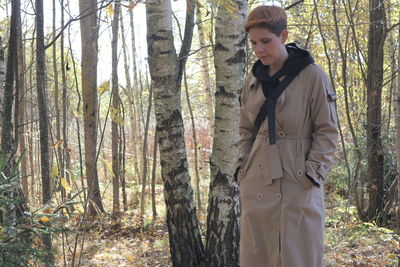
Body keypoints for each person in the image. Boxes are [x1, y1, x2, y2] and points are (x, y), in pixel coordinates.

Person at [235, 5, 338, 267]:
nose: (259, 49)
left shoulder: (311, 75)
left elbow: (327, 131)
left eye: (266, 41)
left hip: (297, 183)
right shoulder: (253, 79)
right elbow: (246, 129)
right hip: (257, 181)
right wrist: (242, 168)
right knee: (258, 258)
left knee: (298, 257)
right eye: (254, 43)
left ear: (283, 36)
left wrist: (312, 174)